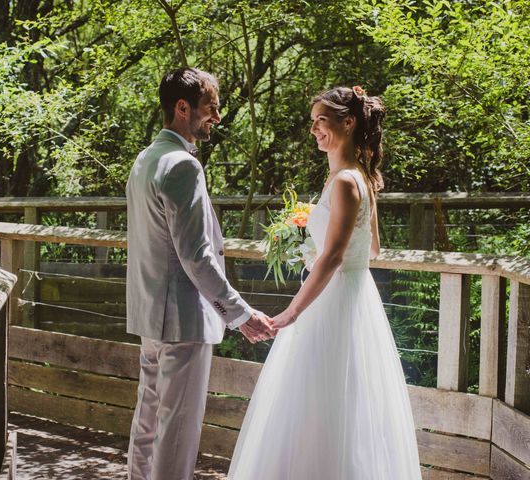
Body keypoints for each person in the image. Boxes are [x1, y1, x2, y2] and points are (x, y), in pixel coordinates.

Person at [228, 86, 422, 479]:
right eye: (313, 121)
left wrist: (291, 312)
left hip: (334, 303)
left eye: (322, 120)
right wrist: (309, 248)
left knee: (325, 398)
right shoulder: (357, 178)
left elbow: (334, 257)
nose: (314, 128)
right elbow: (372, 251)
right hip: (352, 294)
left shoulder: (346, 182)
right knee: (330, 398)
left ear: (347, 123)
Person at [125, 67, 275, 480]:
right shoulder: (182, 166)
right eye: (212, 107)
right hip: (183, 321)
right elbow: (196, 257)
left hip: (151, 317)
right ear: (181, 107)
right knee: (176, 435)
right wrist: (240, 314)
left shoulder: (145, 159)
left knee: (148, 424)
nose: (218, 116)